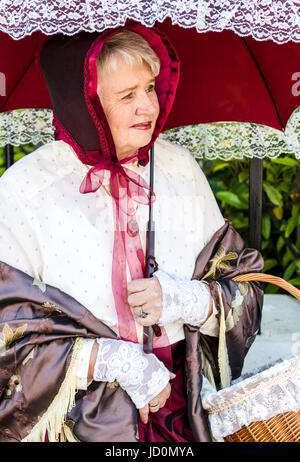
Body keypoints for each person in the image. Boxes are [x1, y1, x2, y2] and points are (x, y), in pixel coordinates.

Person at [0, 22, 264, 442]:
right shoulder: (25, 189)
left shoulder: (178, 168)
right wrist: (113, 360)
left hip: (180, 414)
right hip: (78, 420)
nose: (149, 108)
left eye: (150, 87)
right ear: (81, 103)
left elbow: (246, 289)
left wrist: (185, 299)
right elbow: (6, 336)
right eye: (127, 96)